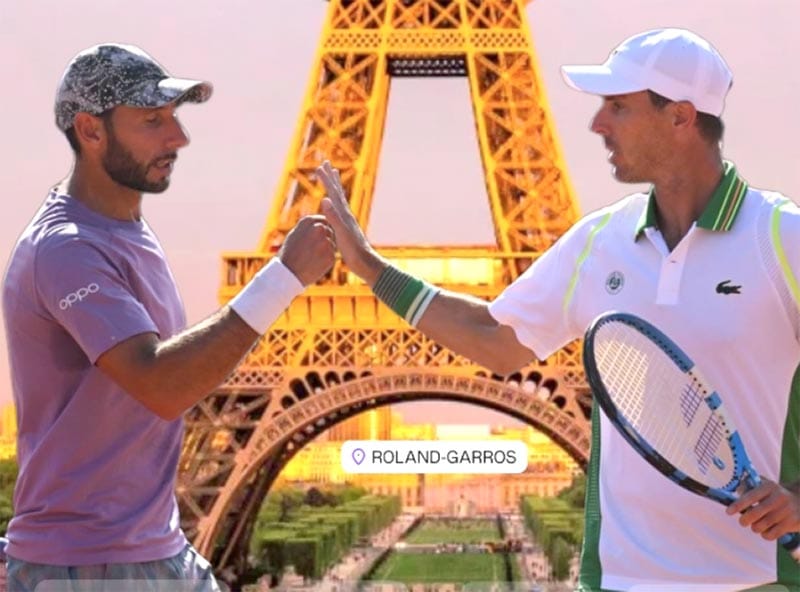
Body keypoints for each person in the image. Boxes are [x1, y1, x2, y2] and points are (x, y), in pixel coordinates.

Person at [316, 28, 800, 590]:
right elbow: (494, 339)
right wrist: (372, 270)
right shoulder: (599, 242)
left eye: (618, 107)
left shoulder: (782, 240)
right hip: (619, 581)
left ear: (680, 118)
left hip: (756, 580)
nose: (598, 124)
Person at [1, 44, 335, 590]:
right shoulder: (66, 249)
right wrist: (283, 278)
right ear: (91, 131)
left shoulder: (129, 231)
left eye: (174, 118)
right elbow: (161, 384)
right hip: (91, 566)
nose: (177, 138)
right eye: (152, 121)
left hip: (154, 551)